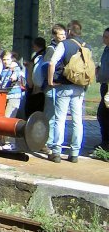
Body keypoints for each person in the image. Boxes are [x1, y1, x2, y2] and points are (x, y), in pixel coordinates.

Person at [47, 20, 89, 163]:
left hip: (63, 86)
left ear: (69, 32)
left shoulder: (64, 44)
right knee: (77, 121)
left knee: (60, 119)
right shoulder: (86, 46)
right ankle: (74, 153)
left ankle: (56, 152)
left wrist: (50, 81)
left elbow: (52, 62)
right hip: (79, 87)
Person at [41, 24, 67, 156]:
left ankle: (50, 141)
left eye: (64, 34)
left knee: (55, 115)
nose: (63, 36)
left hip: (56, 85)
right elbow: (47, 66)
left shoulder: (62, 47)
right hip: (51, 86)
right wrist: (51, 81)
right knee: (50, 115)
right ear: (54, 36)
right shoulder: (51, 49)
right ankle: (46, 142)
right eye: (60, 34)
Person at [24, 37, 46, 116]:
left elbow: (32, 73)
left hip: (36, 90)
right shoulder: (45, 55)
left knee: (31, 113)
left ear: (35, 46)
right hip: (42, 89)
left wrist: (30, 86)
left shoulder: (38, 57)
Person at [95, 27, 109, 151]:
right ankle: (105, 141)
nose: (104, 39)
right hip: (104, 85)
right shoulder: (106, 49)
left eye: (106, 37)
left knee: (103, 114)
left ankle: (106, 142)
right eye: (104, 36)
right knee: (102, 115)